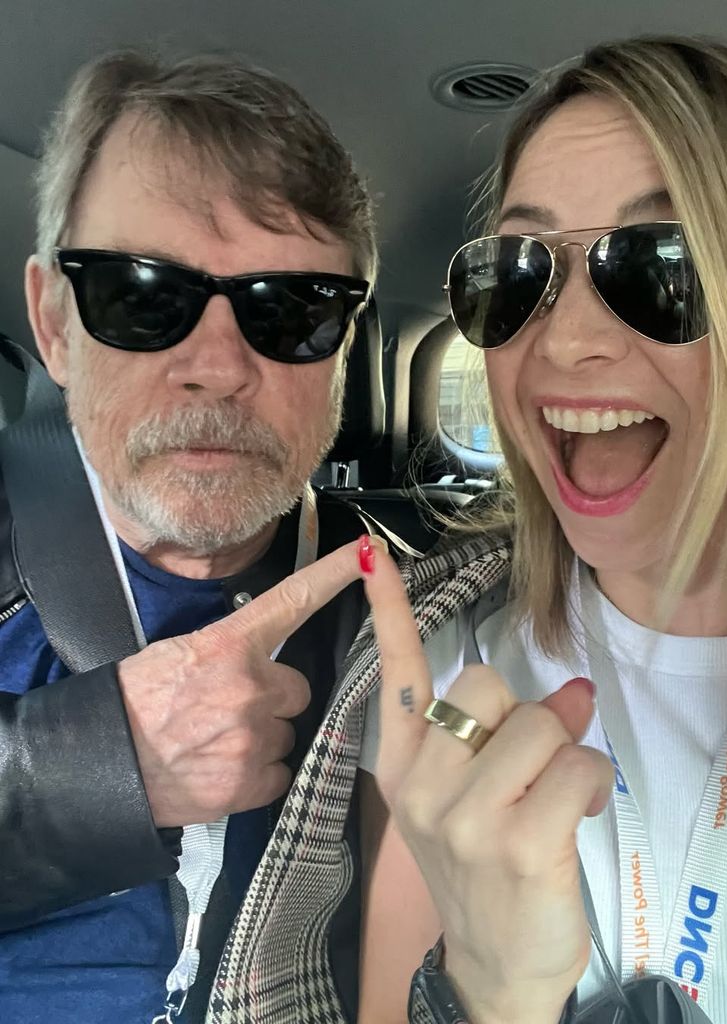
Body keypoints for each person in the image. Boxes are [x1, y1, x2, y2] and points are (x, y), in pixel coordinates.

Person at [199, 35, 727, 1024]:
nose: (561, 340)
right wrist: (486, 993)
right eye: (518, 272)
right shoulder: (447, 674)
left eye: (661, 265)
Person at [0, 50, 379, 1023]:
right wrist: (100, 768)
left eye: (289, 307)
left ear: (344, 349)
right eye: (142, 295)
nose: (218, 366)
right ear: (53, 324)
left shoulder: (416, 615)